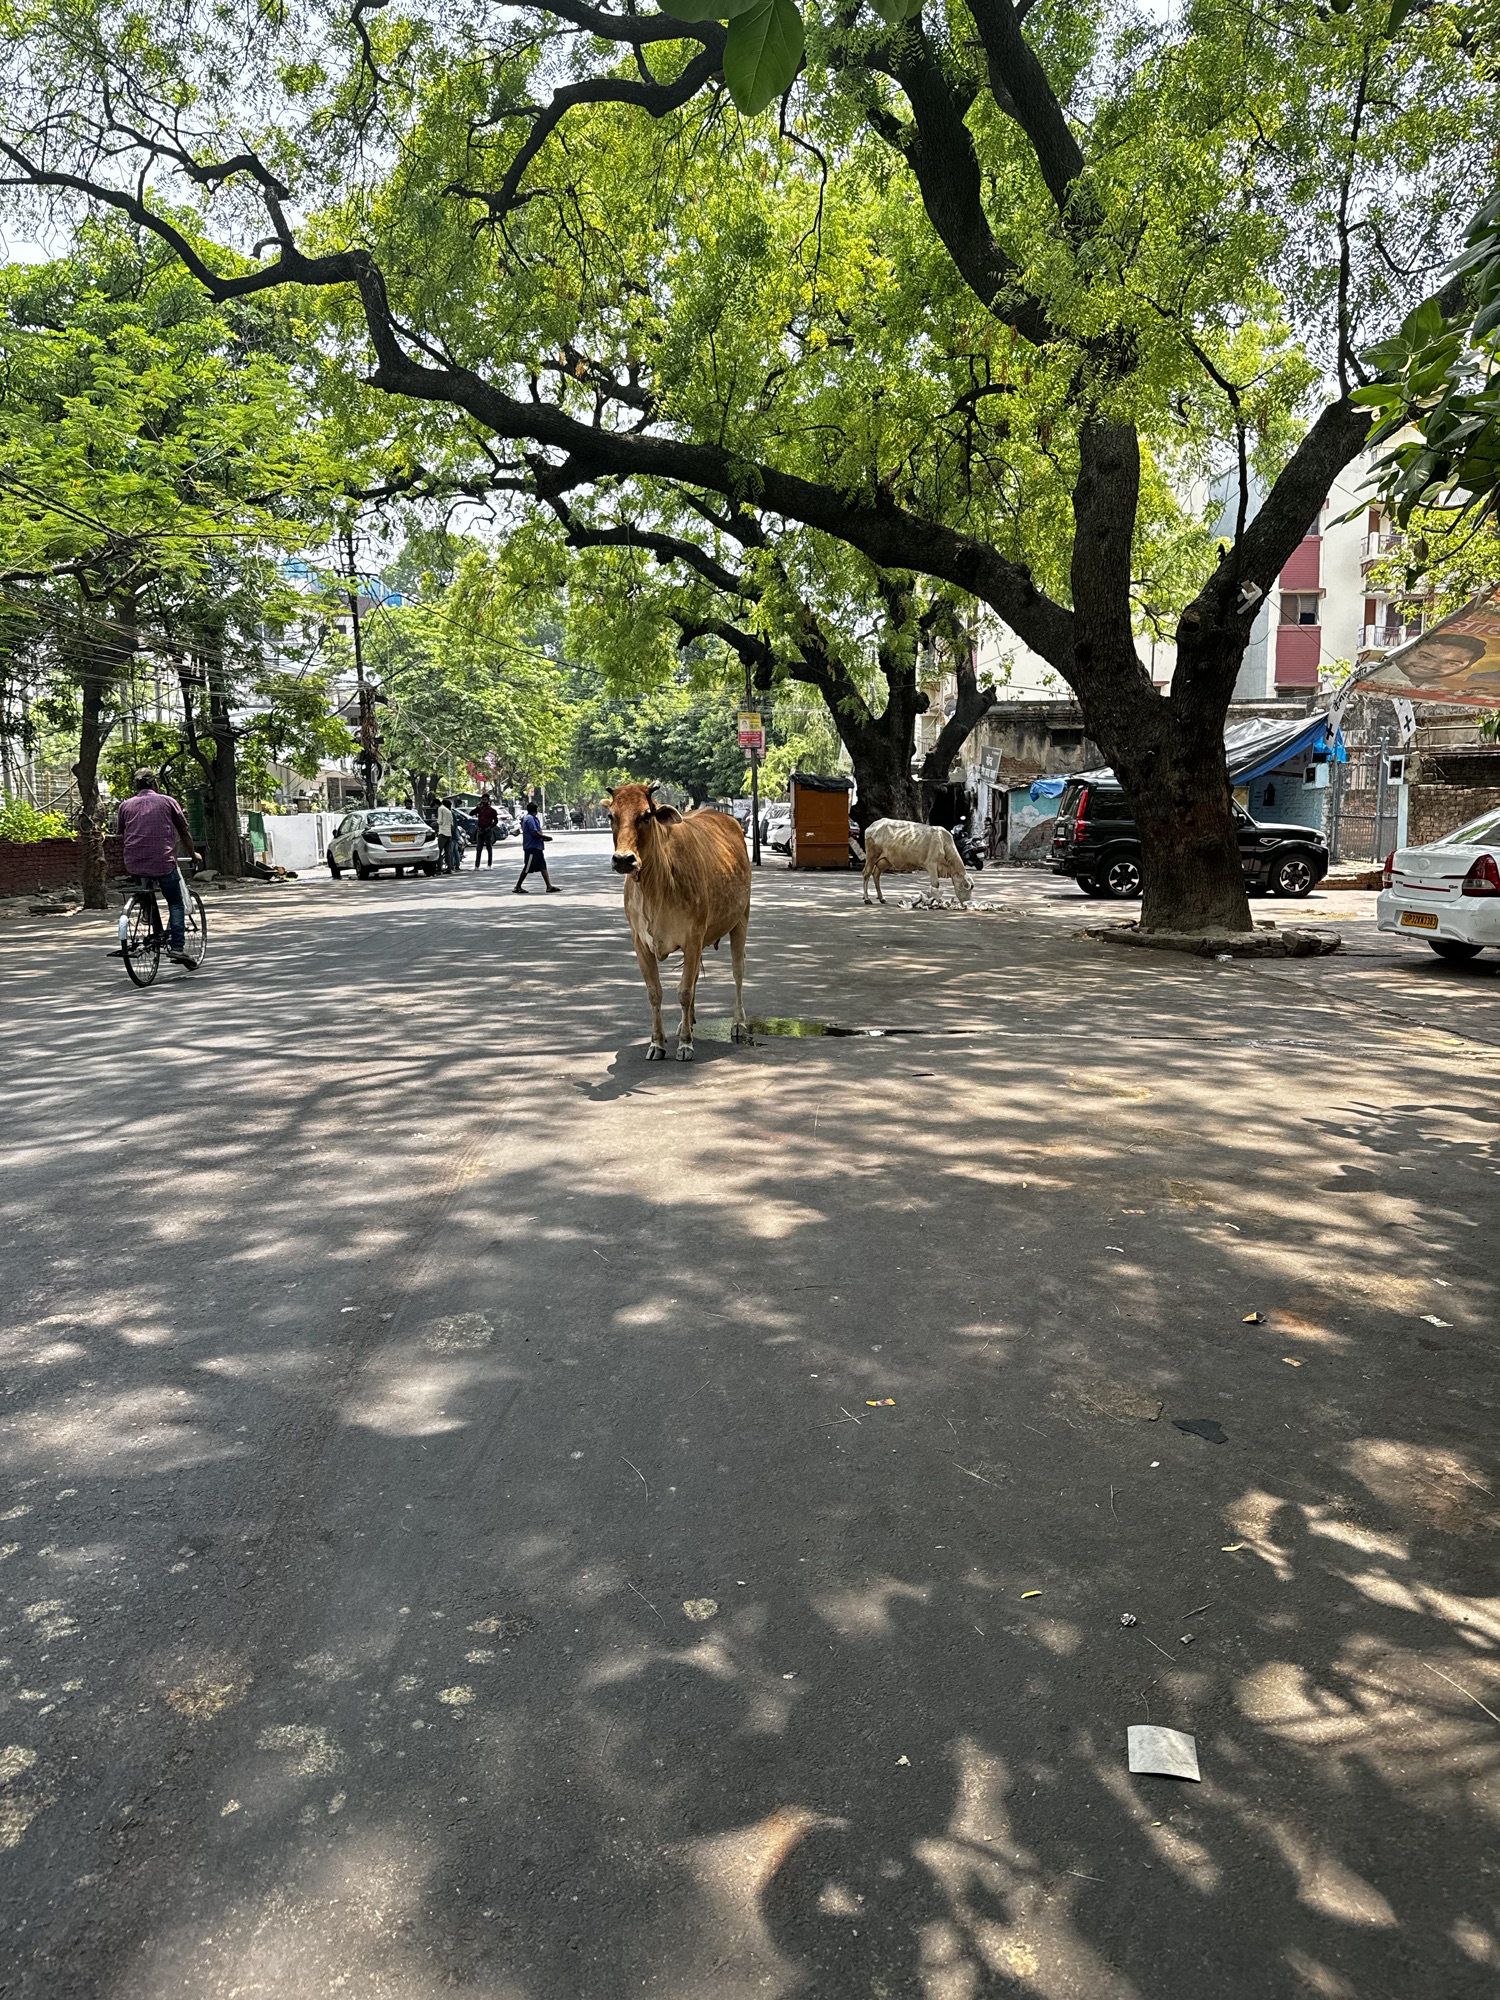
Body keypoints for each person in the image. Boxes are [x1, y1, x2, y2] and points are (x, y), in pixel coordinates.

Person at [116, 768, 198, 960]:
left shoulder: (125, 806)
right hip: (163, 861)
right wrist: (193, 854)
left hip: (134, 863)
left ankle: (146, 911)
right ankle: (177, 947)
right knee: (175, 903)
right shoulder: (168, 802)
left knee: (146, 893)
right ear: (155, 783)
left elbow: (122, 833)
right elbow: (184, 831)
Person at [514, 798, 559, 893]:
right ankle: (517, 886)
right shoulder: (530, 819)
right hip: (532, 847)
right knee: (527, 867)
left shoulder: (529, 818)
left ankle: (549, 886)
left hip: (536, 847)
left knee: (543, 866)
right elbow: (534, 833)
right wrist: (545, 837)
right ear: (535, 810)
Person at [473, 791, 499, 868]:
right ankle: (477, 865)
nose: (484, 801)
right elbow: (471, 813)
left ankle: (489, 864)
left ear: (488, 800)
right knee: (479, 848)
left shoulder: (492, 810)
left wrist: (490, 827)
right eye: (483, 799)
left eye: (485, 800)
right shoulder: (479, 809)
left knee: (489, 847)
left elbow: (496, 821)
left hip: (487, 830)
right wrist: (477, 807)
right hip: (480, 829)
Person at [437, 796, 460, 874]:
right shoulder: (449, 811)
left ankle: (439, 869)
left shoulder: (441, 809)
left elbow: (440, 821)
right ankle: (449, 868)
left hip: (442, 832)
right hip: (449, 833)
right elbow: (452, 824)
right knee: (448, 852)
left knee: (439, 851)